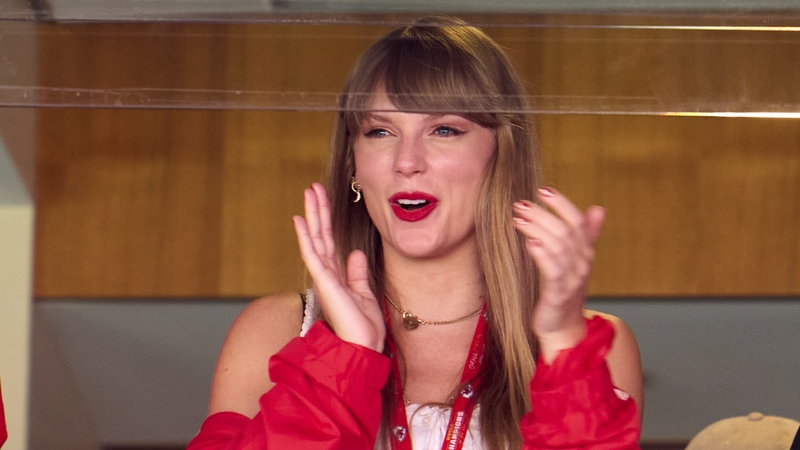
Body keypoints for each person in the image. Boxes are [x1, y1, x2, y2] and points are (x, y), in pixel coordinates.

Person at [188, 16, 643, 450]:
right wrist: (346, 356)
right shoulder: (277, 329)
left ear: (501, 157)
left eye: (444, 129)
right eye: (380, 131)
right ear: (353, 165)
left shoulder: (590, 344)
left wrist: (563, 344)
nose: (407, 161)